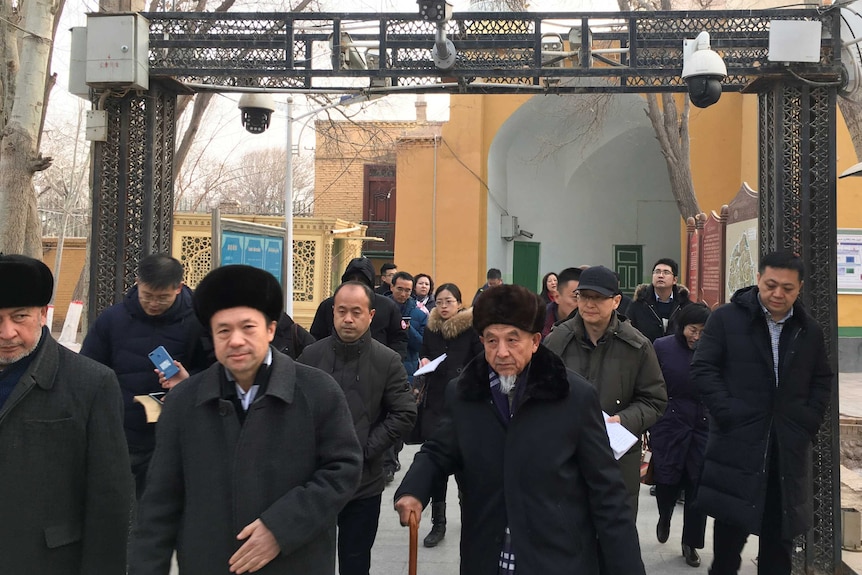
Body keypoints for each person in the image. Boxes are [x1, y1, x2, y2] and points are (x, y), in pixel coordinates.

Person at [394, 284, 647, 575]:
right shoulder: (465, 393)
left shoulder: (573, 396)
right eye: (492, 341)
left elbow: (607, 491)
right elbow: (438, 451)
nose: (501, 352)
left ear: (536, 341)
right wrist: (414, 489)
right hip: (487, 552)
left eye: (513, 340)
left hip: (556, 556)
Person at [130, 264, 363, 575]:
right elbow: (160, 502)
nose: (236, 340)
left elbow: (343, 470)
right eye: (223, 330)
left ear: (269, 329)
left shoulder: (317, 392)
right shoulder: (185, 402)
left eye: (248, 327)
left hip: (294, 561)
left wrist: (281, 527)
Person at [691, 250, 833, 575]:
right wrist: (728, 413)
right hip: (737, 448)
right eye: (770, 285)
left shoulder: (808, 330)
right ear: (757, 280)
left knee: (778, 548)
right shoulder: (726, 319)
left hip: (785, 452)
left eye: (787, 288)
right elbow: (703, 369)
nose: (778, 294)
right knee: (727, 547)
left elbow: (822, 380)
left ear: (799, 289)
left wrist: (806, 423)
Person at [0, 254, 132, 574]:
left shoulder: (92, 383)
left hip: (47, 561)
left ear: (43, 315)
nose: (6, 332)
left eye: (20, 317)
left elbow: (110, 501)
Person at [297, 281, 416, 575]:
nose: (348, 319)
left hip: (363, 482)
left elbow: (404, 412)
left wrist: (365, 450)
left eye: (356, 312)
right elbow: (291, 407)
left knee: (355, 560)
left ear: (371, 315)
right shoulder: (311, 358)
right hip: (315, 481)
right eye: (341, 312)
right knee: (309, 559)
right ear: (333, 314)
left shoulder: (386, 360)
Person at [80, 253, 211, 501]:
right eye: (147, 296)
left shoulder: (199, 323)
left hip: (175, 436)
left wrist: (188, 381)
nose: (153, 304)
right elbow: (88, 369)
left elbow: (217, 372)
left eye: (162, 298)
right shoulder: (112, 319)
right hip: (121, 432)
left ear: (178, 288)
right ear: (138, 284)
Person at [543, 265, 667, 517]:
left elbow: (654, 400)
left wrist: (622, 420)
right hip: (566, 454)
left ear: (616, 301)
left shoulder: (637, 346)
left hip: (616, 458)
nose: (589, 304)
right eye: (584, 296)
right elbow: (538, 390)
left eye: (598, 297)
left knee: (613, 533)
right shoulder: (558, 340)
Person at [417, 282, 484, 547]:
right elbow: (425, 351)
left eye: (449, 301)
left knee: (466, 468)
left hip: (464, 404)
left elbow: (481, 360)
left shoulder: (471, 328)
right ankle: (438, 523)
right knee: (437, 467)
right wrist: (423, 360)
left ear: (459, 303)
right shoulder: (431, 329)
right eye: (440, 301)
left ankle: (470, 519)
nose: (444, 306)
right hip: (435, 404)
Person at [650, 303, 712, 568]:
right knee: (667, 480)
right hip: (669, 424)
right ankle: (664, 516)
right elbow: (650, 384)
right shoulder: (662, 347)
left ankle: (691, 544)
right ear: (681, 327)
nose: (696, 336)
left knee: (698, 486)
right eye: (692, 330)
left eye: (702, 331)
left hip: (703, 425)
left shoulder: (715, 348)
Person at [310, 257, 408, 361]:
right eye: (352, 280)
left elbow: (399, 340)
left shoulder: (387, 306)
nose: (356, 284)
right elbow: (316, 337)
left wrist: (390, 363)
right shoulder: (328, 305)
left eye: (361, 280)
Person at [628, 258, 692, 342]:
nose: (660, 275)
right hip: (645, 353)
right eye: (657, 272)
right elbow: (628, 332)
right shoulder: (639, 304)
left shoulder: (685, 306)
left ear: (675, 280)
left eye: (666, 272)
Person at [542, 267, 581, 339]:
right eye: (575, 298)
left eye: (584, 298)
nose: (580, 304)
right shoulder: (539, 322)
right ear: (557, 297)